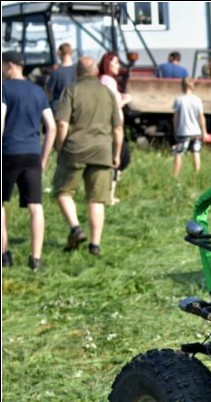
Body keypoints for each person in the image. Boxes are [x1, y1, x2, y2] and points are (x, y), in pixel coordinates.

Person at [53, 56, 123, 257]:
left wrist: (59, 145)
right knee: (97, 199)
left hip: (75, 149)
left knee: (63, 191)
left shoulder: (72, 89)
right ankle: (95, 245)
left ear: (78, 72)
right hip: (102, 151)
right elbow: (118, 128)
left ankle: (75, 228)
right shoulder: (107, 92)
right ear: (94, 71)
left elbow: (62, 124)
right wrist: (116, 154)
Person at [2, 51, 56, 270]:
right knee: (36, 206)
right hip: (32, 154)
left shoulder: (4, 88)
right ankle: (36, 258)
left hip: (8, 153)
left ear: (11, 66)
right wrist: (44, 157)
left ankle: (4, 254)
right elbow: (51, 127)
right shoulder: (38, 92)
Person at [97, 52, 131, 205]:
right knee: (119, 158)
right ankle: (108, 195)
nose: (118, 66)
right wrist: (125, 101)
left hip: (113, 126)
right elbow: (111, 105)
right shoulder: (108, 81)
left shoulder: (106, 81)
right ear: (108, 64)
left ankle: (109, 193)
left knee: (120, 157)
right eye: (116, 63)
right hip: (113, 127)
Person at [171, 78, 208, 177]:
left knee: (179, 153)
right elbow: (201, 116)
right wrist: (204, 131)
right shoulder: (197, 100)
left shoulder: (179, 100)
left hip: (183, 131)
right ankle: (197, 175)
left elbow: (175, 118)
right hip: (196, 131)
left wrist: (175, 129)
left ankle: (175, 176)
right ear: (192, 86)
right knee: (196, 152)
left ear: (182, 86)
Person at [45, 42, 76, 116]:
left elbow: (49, 91)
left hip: (60, 108)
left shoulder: (56, 72)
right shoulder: (78, 70)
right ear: (71, 53)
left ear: (59, 53)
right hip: (76, 106)